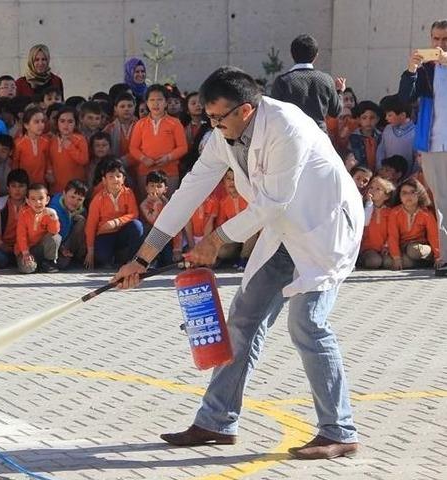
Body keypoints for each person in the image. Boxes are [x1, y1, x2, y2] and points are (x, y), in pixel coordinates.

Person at [113, 67, 363, 460]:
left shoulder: (286, 126)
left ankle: (339, 429)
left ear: (245, 109)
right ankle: (217, 421)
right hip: (282, 231)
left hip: (324, 228)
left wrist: (216, 240)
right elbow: (189, 190)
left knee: (307, 323)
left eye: (219, 118)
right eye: (208, 118)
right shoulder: (222, 138)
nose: (213, 126)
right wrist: (143, 256)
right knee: (243, 317)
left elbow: (273, 201)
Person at [398, 18, 447, 277]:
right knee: (441, 201)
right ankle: (445, 257)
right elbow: (406, 97)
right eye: (435, 39)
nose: (439, 45)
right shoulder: (427, 69)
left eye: (445, 40)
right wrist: (411, 69)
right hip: (432, 142)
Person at [269, 34, 342, 132]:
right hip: (319, 137)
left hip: (293, 137)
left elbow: (274, 114)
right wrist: (340, 92)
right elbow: (335, 112)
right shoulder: (326, 79)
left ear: (292, 54)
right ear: (316, 56)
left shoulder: (283, 81)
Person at [129, 84, 188, 195]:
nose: (156, 103)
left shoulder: (175, 123)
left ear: (166, 103)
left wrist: (168, 157)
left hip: (169, 172)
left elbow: (183, 147)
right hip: (145, 172)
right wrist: (143, 159)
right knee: (146, 206)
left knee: (168, 207)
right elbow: (133, 148)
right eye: (152, 100)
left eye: (160, 100)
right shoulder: (140, 124)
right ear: (147, 103)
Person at [85, 159, 143, 269]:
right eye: (111, 177)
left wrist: (116, 222)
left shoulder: (129, 193)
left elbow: (134, 214)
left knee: (137, 226)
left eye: (118, 176)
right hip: (105, 234)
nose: (115, 179)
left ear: (123, 179)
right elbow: (91, 225)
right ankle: (115, 258)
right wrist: (90, 251)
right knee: (102, 257)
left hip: (122, 232)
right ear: (104, 180)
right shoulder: (98, 198)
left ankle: (134, 261)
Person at [386, 178, 440, 270]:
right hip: (402, 247)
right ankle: (418, 263)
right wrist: (396, 257)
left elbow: (433, 236)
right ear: (399, 196)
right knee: (386, 261)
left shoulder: (426, 213)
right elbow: (393, 236)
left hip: (420, 247)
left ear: (419, 194)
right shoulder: (395, 212)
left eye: (412, 192)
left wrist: (438, 256)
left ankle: (429, 259)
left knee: (414, 250)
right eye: (404, 193)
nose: (408, 196)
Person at [0, 168, 30, 268]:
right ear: (8, 188)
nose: (17, 190)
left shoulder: (31, 205)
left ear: (27, 188)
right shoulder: (0, 205)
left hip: (24, 246)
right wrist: (2, 245)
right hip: (3, 246)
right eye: (13, 186)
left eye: (21, 186)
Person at [16, 183, 61, 273]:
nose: (38, 202)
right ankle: (37, 264)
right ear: (27, 201)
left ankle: (49, 262)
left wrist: (54, 218)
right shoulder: (24, 213)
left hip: (42, 248)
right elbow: (21, 234)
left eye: (41, 198)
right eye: (33, 199)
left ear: (47, 200)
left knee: (56, 237)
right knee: (28, 269)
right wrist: (25, 253)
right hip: (26, 249)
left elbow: (54, 231)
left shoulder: (49, 213)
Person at [48, 179, 88, 270]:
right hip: (55, 243)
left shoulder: (81, 210)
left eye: (79, 199)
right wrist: (61, 249)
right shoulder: (54, 209)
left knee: (82, 221)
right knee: (62, 264)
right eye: (72, 197)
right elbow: (50, 234)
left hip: (68, 240)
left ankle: (78, 256)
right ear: (64, 193)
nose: (75, 202)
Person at [49, 106, 89, 193]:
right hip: (56, 187)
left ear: (75, 124)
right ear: (57, 123)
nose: (66, 125)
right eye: (62, 121)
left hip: (75, 188)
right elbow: (48, 159)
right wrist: (49, 171)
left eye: (70, 121)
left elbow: (84, 160)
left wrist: (70, 147)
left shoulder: (80, 139)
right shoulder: (52, 140)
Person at [358, 176, 396, 269]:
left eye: (378, 189)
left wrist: (387, 246)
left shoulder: (390, 212)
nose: (372, 191)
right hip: (367, 248)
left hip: (383, 248)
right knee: (374, 262)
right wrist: (369, 204)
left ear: (386, 196)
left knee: (388, 263)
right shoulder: (364, 208)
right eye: (371, 187)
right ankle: (359, 259)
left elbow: (392, 232)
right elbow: (364, 222)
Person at [376, 95, 416, 173]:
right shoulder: (388, 129)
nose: (386, 118)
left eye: (390, 115)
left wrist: (412, 176)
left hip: (407, 177)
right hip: (386, 176)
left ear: (403, 115)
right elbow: (381, 150)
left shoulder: (415, 132)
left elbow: (418, 159)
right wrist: (380, 168)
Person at [12, 106, 50, 185]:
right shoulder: (18, 143)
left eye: (42, 121)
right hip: (24, 184)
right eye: (36, 122)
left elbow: (49, 160)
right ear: (26, 125)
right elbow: (15, 164)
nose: (41, 125)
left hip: (42, 184)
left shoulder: (47, 141)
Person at [348, 101, 382, 171]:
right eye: (364, 118)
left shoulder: (381, 137)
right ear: (358, 120)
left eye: (372, 118)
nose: (368, 121)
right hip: (359, 173)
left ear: (378, 119)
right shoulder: (352, 138)